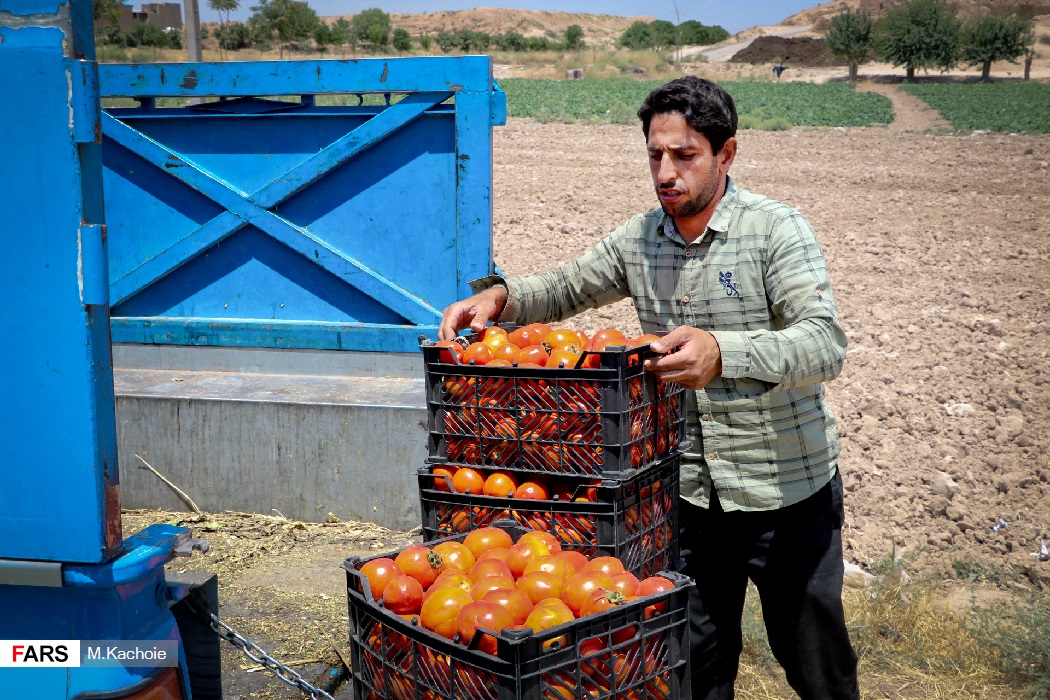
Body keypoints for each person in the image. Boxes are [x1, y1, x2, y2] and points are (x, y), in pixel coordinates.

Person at [438, 76, 859, 700]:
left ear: (727, 154)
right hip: (686, 493)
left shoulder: (776, 232)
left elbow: (825, 344)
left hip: (787, 492)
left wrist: (724, 354)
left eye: (684, 155)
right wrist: (499, 296)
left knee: (816, 664)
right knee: (692, 663)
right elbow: (568, 286)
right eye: (655, 155)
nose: (666, 172)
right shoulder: (641, 239)